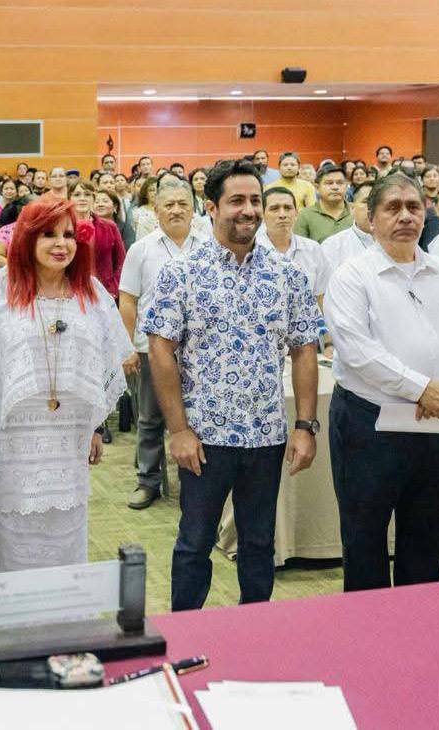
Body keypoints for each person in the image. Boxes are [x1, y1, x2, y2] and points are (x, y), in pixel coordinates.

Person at [145, 161, 323, 609]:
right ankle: (187, 630)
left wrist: (305, 425)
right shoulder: (182, 273)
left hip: (266, 436)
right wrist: (178, 430)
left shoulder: (287, 275)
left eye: (255, 200)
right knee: (194, 543)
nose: (249, 210)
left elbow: (305, 348)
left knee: (259, 544)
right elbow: (161, 350)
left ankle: (254, 630)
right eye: (237, 201)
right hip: (204, 437)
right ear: (211, 207)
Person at [325, 173, 439, 592]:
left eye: (414, 207)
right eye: (392, 208)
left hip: (438, 423)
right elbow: (357, 351)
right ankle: (370, 627)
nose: (405, 216)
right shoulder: (351, 276)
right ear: (371, 218)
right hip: (369, 426)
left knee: (429, 541)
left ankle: (421, 624)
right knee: (365, 540)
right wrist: (421, 389)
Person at [0, 198, 132, 574]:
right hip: (14, 437)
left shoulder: (91, 292)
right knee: (14, 529)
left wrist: (96, 428)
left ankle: (62, 602)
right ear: (28, 238)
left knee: (65, 530)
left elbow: (104, 362)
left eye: (69, 234)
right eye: (49, 234)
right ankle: (11, 603)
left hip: (69, 436)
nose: (61, 243)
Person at [118, 176, 202, 509]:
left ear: (193, 210)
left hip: (200, 350)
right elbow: (128, 300)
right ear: (156, 210)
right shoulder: (141, 250)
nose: (176, 210)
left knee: (197, 418)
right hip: (152, 348)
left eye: (183, 204)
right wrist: (127, 346)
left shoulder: (209, 247)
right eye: (169, 204)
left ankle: (195, 483)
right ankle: (148, 481)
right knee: (151, 418)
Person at [259, 188, 330, 299]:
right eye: (274, 209)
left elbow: (321, 295)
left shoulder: (312, 249)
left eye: (288, 208)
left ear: (296, 213)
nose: (282, 215)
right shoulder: (250, 251)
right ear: (262, 215)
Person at [69, 179, 126, 302]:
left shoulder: (110, 227)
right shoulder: (62, 227)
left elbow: (121, 262)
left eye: (87, 194)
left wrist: (113, 290)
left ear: (93, 199)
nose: (82, 198)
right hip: (70, 293)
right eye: (77, 195)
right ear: (69, 199)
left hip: (105, 293)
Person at [321, 181, 377, 272]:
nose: (373, 207)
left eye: (379, 202)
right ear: (352, 208)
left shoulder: (398, 243)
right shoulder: (332, 246)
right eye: (366, 201)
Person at [293, 165, 352, 242]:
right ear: (317, 188)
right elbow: (299, 246)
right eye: (329, 183)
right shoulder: (305, 215)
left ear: (346, 186)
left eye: (340, 183)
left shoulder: (356, 212)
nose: (335, 187)